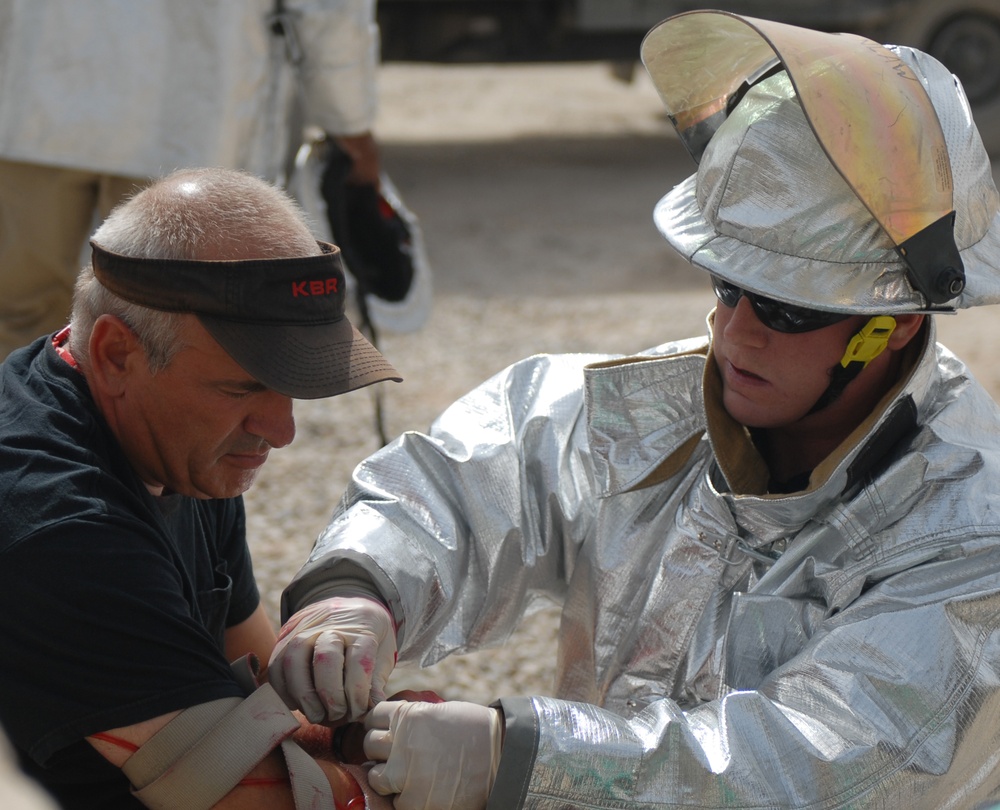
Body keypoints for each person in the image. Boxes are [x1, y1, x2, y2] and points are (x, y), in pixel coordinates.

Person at [268, 11, 1000, 810]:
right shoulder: (647, 412)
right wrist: (358, 593)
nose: (734, 332)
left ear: (889, 332)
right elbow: (469, 485)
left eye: (788, 311)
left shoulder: (969, 535)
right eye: (727, 286)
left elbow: (820, 765)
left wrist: (522, 756)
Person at [0, 166, 404, 809]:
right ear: (115, 354)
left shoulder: (171, 444)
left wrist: (370, 734)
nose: (280, 429)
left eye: (289, 385)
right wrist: (437, 772)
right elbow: (259, 797)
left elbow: (256, 685)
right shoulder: (61, 526)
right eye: (241, 388)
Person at [0, 0, 389, 360]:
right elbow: (329, 11)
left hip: (33, 98)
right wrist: (350, 125)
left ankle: (23, 426)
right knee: (179, 326)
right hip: (192, 117)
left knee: (21, 312)